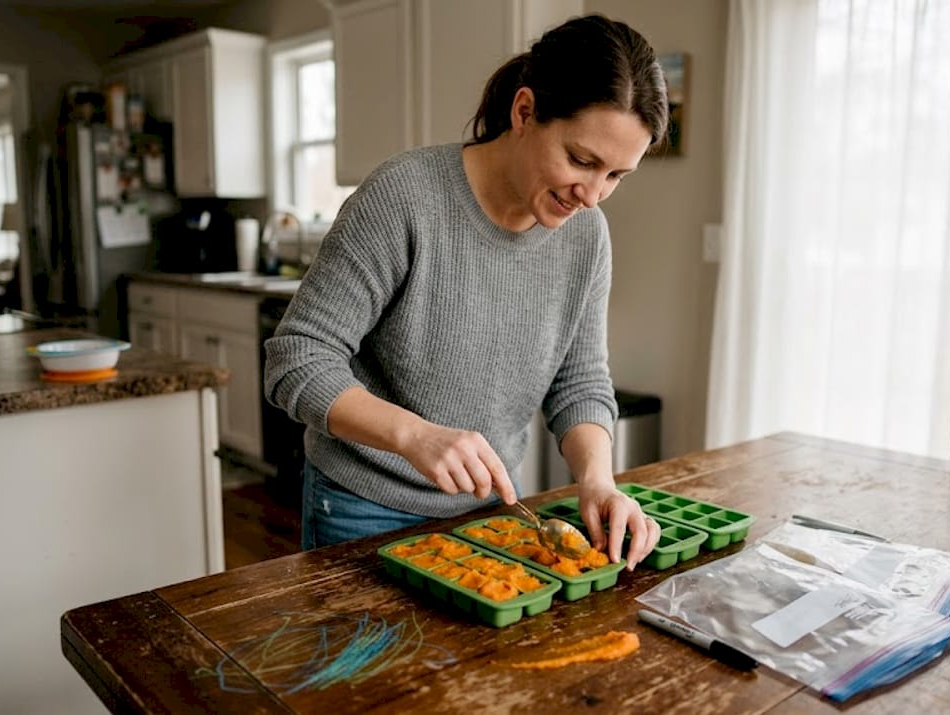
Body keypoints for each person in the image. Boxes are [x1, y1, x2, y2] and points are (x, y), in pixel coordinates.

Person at [264, 13, 668, 569]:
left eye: (616, 175)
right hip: (364, 508)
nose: (593, 195)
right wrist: (414, 437)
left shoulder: (587, 236)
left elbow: (580, 380)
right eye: (581, 160)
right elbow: (297, 359)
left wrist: (598, 480)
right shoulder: (405, 196)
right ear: (524, 112)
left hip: (493, 511)